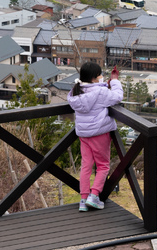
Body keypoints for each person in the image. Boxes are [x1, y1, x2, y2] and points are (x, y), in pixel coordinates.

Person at [68, 61, 123, 212]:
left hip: (84, 134)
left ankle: (83, 199)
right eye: (100, 75)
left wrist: (105, 83)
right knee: (103, 165)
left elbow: (93, 91)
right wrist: (115, 81)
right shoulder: (101, 93)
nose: (102, 77)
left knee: (86, 166)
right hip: (100, 133)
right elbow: (118, 96)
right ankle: (94, 196)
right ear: (94, 78)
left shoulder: (76, 91)